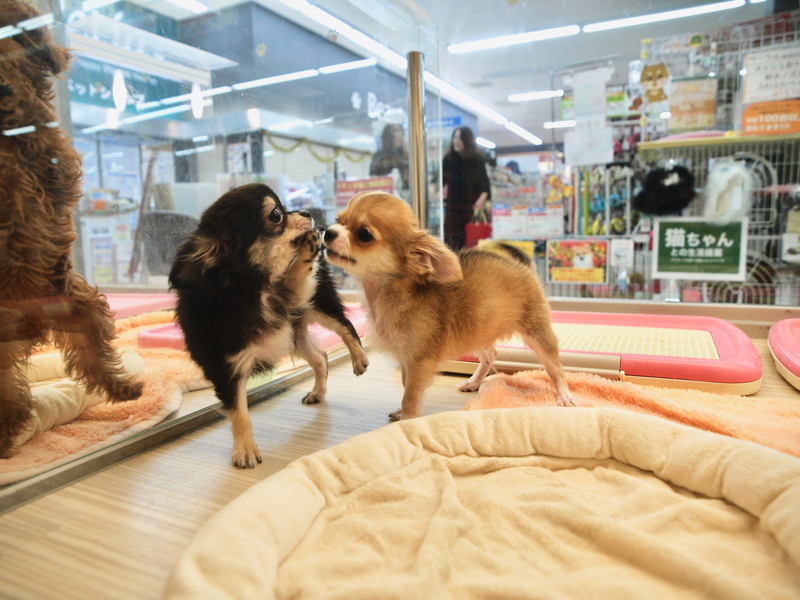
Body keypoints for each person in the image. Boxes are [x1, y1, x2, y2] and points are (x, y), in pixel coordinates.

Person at [442, 126, 491, 250]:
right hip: (453, 205)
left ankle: (470, 261)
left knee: (470, 239)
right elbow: (442, 180)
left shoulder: (477, 159)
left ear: (466, 140)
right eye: (454, 138)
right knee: (453, 240)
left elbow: (484, 183)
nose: (455, 141)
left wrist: (481, 200)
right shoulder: (448, 159)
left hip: (471, 205)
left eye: (459, 138)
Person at [369, 123, 409, 190]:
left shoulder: (405, 156)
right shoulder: (379, 156)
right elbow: (373, 176)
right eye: (396, 132)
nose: (400, 137)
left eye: (402, 134)